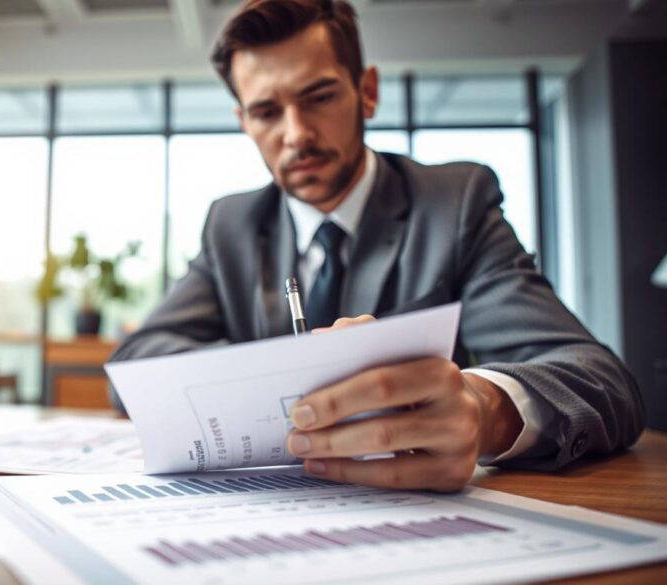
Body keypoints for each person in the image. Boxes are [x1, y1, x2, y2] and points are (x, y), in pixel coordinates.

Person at [108, 0, 644, 492]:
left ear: (366, 90)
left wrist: (485, 409)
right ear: (243, 122)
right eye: (267, 111)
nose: (295, 134)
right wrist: (262, 379)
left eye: (318, 97)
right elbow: (134, 367)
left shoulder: (454, 205)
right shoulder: (232, 225)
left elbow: (602, 381)